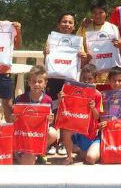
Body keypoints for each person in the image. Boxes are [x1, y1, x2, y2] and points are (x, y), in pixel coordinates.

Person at [43, 11, 87, 156]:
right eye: (64, 21)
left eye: (70, 22)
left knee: (67, 110)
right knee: (53, 109)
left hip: (70, 80)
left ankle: (63, 141)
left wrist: (84, 56)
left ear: (74, 26)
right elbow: (46, 61)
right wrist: (46, 53)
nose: (67, 25)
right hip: (53, 79)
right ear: (58, 24)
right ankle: (51, 141)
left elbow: (83, 63)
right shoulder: (51, 40)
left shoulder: (78, 42)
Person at [13, 65, 58, 165]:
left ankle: (39, 152)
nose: (36, 84)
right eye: (33, 81)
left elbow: (49, 122)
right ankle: (17, 153)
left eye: (40, 81)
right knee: (28, 163)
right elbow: (15, 120)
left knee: (53, 133)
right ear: (28, 83)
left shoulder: (48, 100)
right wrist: (14, 118)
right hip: (24, 134)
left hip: (38, 133)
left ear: (45, 83)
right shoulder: (20, 99)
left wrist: (50, 119)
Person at [61, 64, 102, 165]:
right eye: (84, 78)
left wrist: (92, 108)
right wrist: (61, 98)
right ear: (80, 78)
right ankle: (69, 157)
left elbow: (97, 117)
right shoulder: (75, 91)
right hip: (78, 134)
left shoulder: (98, 94)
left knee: (90, 158)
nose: (87, 81)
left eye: (90, 78)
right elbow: (66, 111)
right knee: (66, 130)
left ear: (95, 79)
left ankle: (88, 150)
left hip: (91, 135)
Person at [77, 0, 121, 86]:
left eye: (101, 12)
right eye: (94, 13)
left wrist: (120, 45)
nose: (97, 15)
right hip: (90, 76)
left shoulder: (113, 28)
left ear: (106, 13)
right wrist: (84, 55)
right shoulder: (85, 26)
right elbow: (77, 45)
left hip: (110, 77)